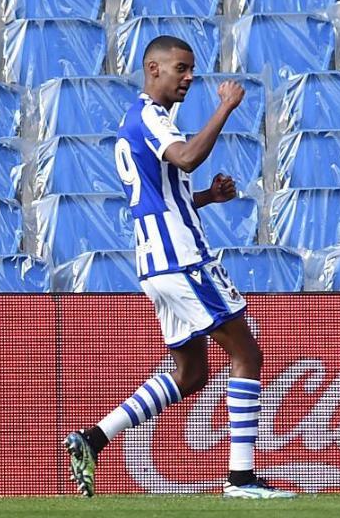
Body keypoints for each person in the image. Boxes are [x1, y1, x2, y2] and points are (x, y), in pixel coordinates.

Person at [63, 35, 293, 500]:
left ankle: (93, 439)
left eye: (191, 69)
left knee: (191, 375)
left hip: (156, 265)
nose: (190, 77)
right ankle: (242, 479)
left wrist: (208, 196)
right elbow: (186, 156)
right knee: (247, 353)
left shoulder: (139, 123)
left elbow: (165, 194)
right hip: (182, 258)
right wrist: (226, 107)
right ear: (154, 70)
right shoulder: (149, 115)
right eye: (181, 69)